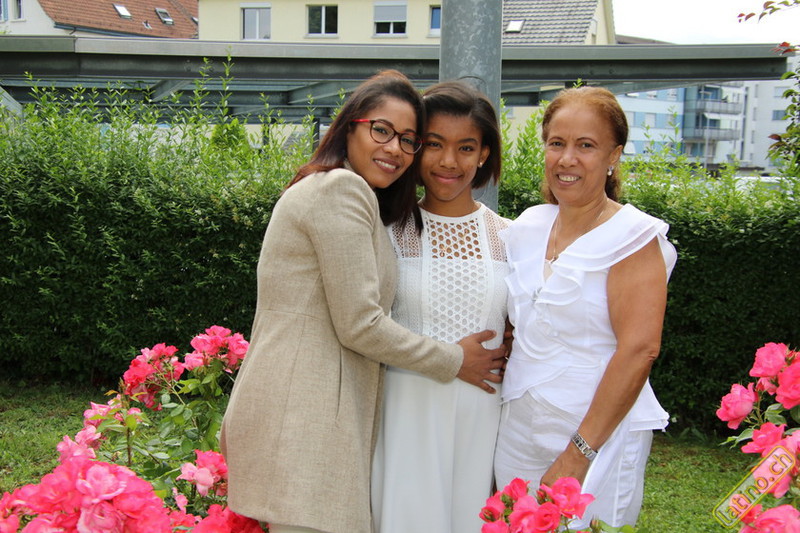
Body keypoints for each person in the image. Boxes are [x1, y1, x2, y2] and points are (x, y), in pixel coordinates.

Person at [219, 70, 506, 533]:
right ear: (349, 126)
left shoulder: (344, 193)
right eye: (381, 130)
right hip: (306, 417)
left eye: (407, 139)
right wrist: (455, 360)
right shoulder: (341, 189)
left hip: (313, 415)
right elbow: (360, 323)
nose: (394, 148)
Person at [493, 86, 677, 529]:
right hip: (518, 428)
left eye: (586, 146)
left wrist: (579, 455)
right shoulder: (528, 226)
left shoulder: (633, 237)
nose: (567, 159)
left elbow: (640, 351)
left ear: (614, 155)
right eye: (556, 143)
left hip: (595, 437)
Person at [371, 81, 509, 533]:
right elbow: (365, 326)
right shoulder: (384, 231)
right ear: (414, 148)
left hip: (482, 418)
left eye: (466, 147)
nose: (449, 161)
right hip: (405, 415)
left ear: (483, 153)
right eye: (434, 144)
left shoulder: (513, 237)